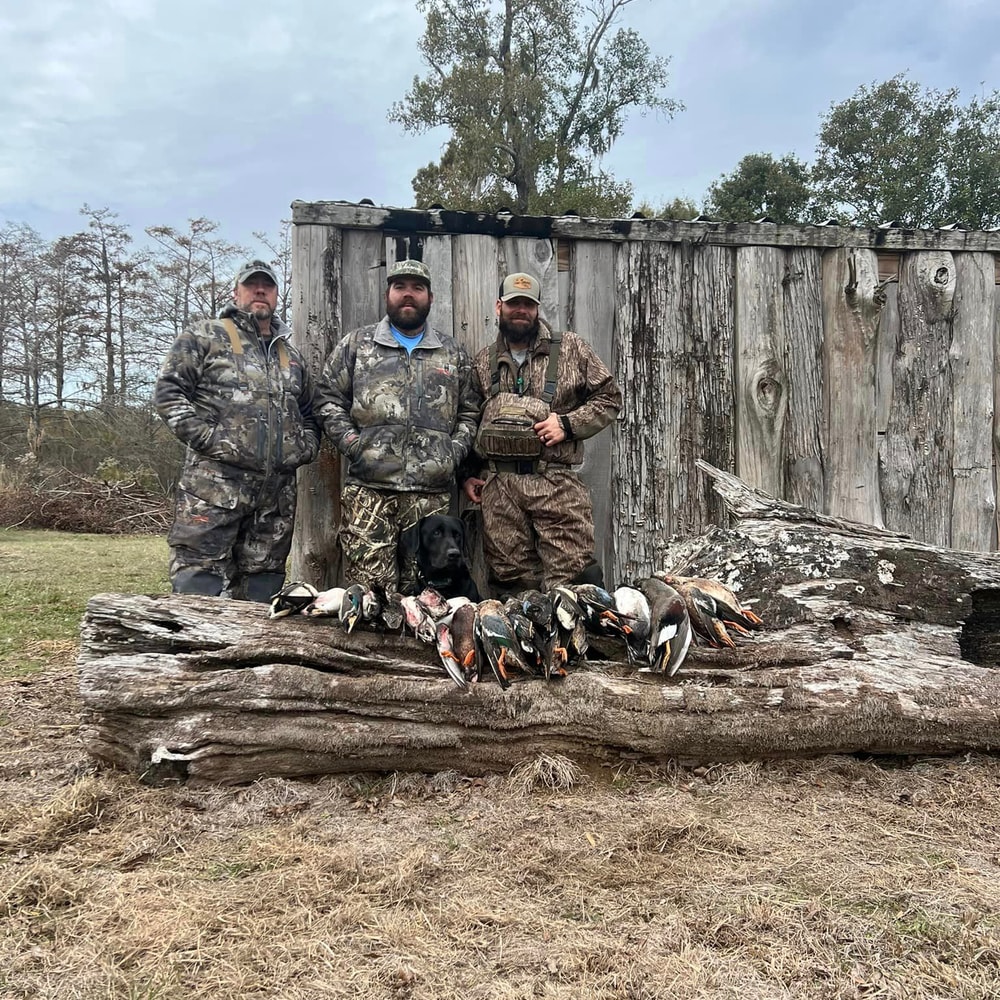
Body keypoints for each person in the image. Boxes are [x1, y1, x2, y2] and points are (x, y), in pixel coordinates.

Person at [155, 259, 320, 601]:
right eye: (252, 284)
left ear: (277, 295)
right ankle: (196, 652)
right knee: (199, 583)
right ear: (237, 292)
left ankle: (252, 655)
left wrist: (304, 447)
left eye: (268, 286)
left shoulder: (291, 355)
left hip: (274, 497)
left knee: (262, 588)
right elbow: (169, 394)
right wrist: (209, 440)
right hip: (213, 488)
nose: (260, 291)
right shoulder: (205, 336)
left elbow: (310, 411)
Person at [314, 259, 481, 592]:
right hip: (369, 494)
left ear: (430, 298)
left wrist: (453, 452)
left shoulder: (452, 353)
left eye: (417, 288)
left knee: (428, 597)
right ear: (388, 293)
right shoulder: (357, 345)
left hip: (430, 500)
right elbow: (327, 398)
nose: (408, 295)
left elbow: (470, 411)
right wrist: (353, 444)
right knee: (372, 596)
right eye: (400, 287)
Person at [462, 271, 622, 596]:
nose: (520, 310)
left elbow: (610, 398)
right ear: (499, 307)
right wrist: (467, 474)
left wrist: (567, 425)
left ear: (536, 308)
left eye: (528, 304)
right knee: (512, 587)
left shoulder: (572, 349)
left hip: (556, 484)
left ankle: (581, 646)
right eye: (513, 304)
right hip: (500, 490)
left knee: (575, 581)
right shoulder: (482, 362)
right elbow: (468, 421)